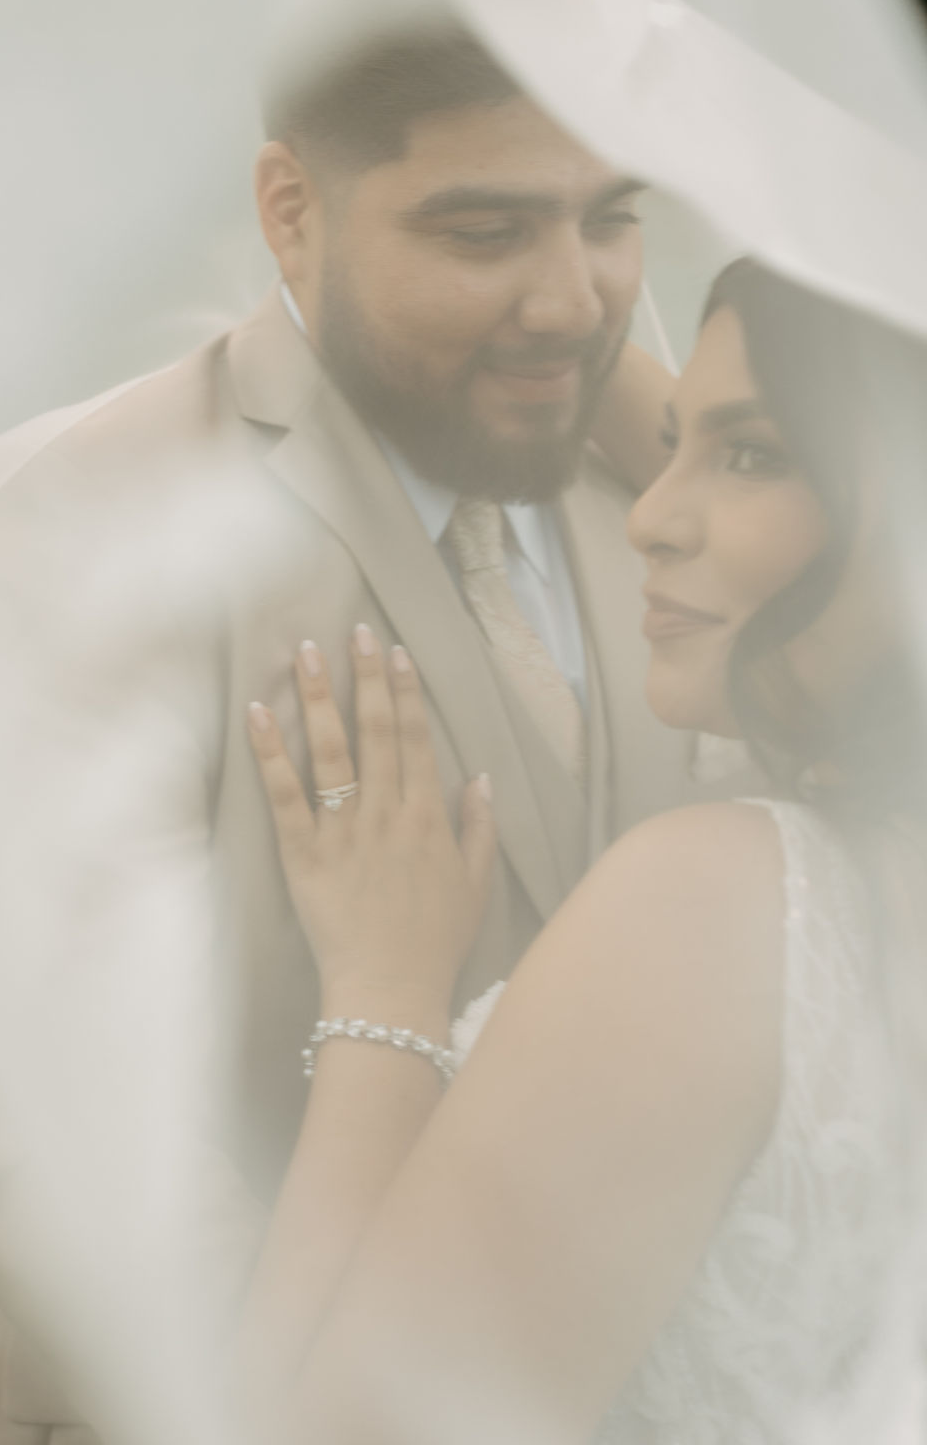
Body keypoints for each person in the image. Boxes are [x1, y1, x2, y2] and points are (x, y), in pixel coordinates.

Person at [0, 12, 706, 1441]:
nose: (574, 303)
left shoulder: (679, 495)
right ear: (292, 210)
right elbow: (89, 1215)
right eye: (484, 233)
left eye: (610, 222)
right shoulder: (47, 555)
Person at [242, 257, 927, 1442]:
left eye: (749, 454)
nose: (651, 515)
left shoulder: (718, 918)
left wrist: (385, 1000)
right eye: (669, 445)